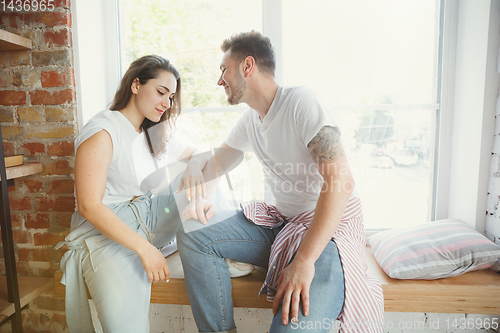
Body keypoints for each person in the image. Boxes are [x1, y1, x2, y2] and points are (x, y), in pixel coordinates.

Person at [176, 31, 384, 333]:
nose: (219, 80)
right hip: (284, 224)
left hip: (327, 234)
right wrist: (196, 160)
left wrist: (303, 261)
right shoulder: (251, 121)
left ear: (247, 66)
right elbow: (215, 165)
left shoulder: (302, 102)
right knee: (194, 235)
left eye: (224, 69)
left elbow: (341, 181)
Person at [56, 55, 207, 332]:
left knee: (204, 173)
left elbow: (200, 154)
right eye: (161, 92)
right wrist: (144, 249)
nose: (167, 103)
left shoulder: (151, 132)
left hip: (148, 219)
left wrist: (195, 168)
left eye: (171, 97)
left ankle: (212, 251)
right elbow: (89, 206)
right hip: (106, 235)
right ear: (136, 85)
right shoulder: (103, 130)